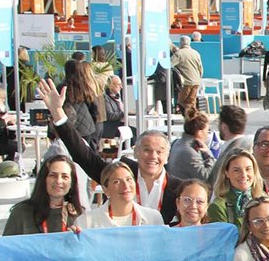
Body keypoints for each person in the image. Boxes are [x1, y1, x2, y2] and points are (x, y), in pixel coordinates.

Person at [40, 79, 183, 225]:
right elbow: (83, 156)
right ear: (136, 152)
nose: (153, 156)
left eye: (159, 152)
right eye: (147, 150)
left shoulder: (178, 189)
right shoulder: (120, 175)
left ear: (167, 156)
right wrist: (58, 113)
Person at [80, 161, 165, 228]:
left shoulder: (153, 218)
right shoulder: (86, 222)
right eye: (117, 182)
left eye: (129, 179)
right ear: (105, 189)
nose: (125, 186)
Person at [207, 150, 266, 231]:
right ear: (226, 173)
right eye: (236, 170)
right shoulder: (218, 207)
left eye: (248, 169)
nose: (243, 175)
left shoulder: (264, 199)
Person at [62, 60, 102, 148]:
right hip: (86, 126)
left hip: (68, 125)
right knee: (85, 151)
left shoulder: (62, 87)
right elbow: (93, 107)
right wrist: (93, 121)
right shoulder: (84, 86)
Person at [167, 111, 215, 183]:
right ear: (200, 133)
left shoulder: (176, 143)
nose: (208, 134)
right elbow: (208, 177)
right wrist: (208, 155)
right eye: (207, 131)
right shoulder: (190, 152)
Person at [172, 36, 204, 114]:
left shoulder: (179, 53)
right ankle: (194, 116)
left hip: (186, 82)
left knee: (181, 101)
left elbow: (169, 64)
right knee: (192, 101)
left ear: (181, 43)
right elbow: (201, 69)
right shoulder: (196, 53)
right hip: (196, 81)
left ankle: (193, 113)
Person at [100, 75, 127, 141]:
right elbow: (110, 115)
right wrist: (125, 113)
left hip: (121, 125)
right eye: (119, 85)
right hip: (111, 128)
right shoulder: (105, 98)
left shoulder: (117, 97)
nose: (121, 87)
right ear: (111, 86)